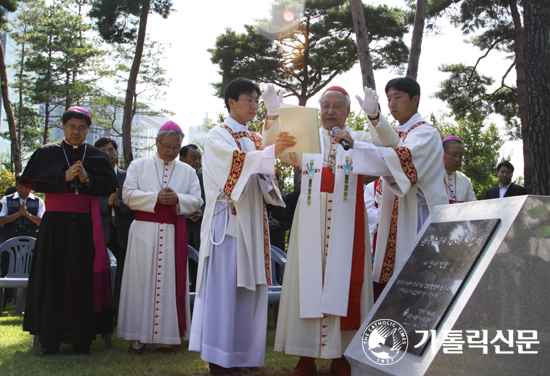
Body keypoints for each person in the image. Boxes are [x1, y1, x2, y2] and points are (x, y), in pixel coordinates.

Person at [264, 85, 394, 376]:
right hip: (310, 222)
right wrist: (274, 116)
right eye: (325, 106)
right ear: (319, 110)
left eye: (337, 106)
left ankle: (342, 357)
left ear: (348, 111)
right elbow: (276, 149)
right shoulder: (307, 137)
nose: (330, 111)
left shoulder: (357, 139)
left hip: (347, 226)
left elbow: (390, 150)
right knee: (307, 282)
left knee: (345, 280)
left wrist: (373, 118)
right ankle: (305, 358)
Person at [189, 77, 285, 375]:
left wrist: (272, 143)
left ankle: (243, 357)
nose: (254, 105)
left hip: (253, 223)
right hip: (228, 225)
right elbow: (233, 167)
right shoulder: (218, 134)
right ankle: (219, 359)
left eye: (257, 100)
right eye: (249, 99)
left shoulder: (256, 138)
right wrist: (268, 155)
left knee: (249, 289)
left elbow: (265, 171)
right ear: (231, 102)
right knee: (225, 289)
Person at [21, 106, 118, 356]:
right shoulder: (46, 152)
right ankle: (49, 341)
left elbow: (109, 185)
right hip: (54, 225)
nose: (77, 131)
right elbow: (27, 183)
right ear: (63, 127)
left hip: (86, 226)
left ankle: (81, 340)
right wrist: (62, 177)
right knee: (51, 276)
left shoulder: (96, 155)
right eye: (72, 126)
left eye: (82, 127)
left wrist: (86, 180)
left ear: (88, 130)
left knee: (83, 278)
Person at [348, 76, 448, 299]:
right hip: (393, 216)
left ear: (415, 100)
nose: (392, 104)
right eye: (389, 98)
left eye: (398, 97)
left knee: (417, 284)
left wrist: (359, 145)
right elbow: (387, 141)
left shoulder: (426, 133)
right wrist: (374, 117)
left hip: (416, 216)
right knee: (389, 287)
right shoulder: (401, 133)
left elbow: (401, 156)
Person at [117, 121, 202, 355]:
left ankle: (167, 338)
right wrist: (156, 197)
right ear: (157, 142)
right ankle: (138, 337)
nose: (172, 151)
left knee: (170, 282)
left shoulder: (187, 171)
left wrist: (178, 200)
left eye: (176, 147)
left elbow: (197, 199)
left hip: (174, 231)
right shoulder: (138, 165)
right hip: (144, 231)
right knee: (141, 281)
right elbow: (128, 195)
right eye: (167, 146)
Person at [94, 137, 135, 320]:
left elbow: (137, 202)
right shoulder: (92, 177)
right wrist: (106, 204)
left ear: (117, 152)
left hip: (123, 233)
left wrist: (121, 204)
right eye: (102, 150)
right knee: (99, 274)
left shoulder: (128, 176)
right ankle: (99, 314)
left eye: (110, 149)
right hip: (100, 232)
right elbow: (88, 203)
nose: (107, 153)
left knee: (121, 275)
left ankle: (119, 314)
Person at [180, 144, 205, 292]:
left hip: (199, 231)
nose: (198, 162)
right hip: (180, 229)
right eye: (193, 158)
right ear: (182, 159)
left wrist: (202, 211)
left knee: (199, 271)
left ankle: (197, 304)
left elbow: (213, 202)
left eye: (199, 158)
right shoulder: (173, 177)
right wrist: (183, 212)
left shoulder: (207, 179)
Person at [441, 136, 476, 203]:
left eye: (460, 156)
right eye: (453, 154)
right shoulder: (431, 176)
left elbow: (473, 206)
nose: (457, 159)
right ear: (442, 153)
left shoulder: (465, 180)